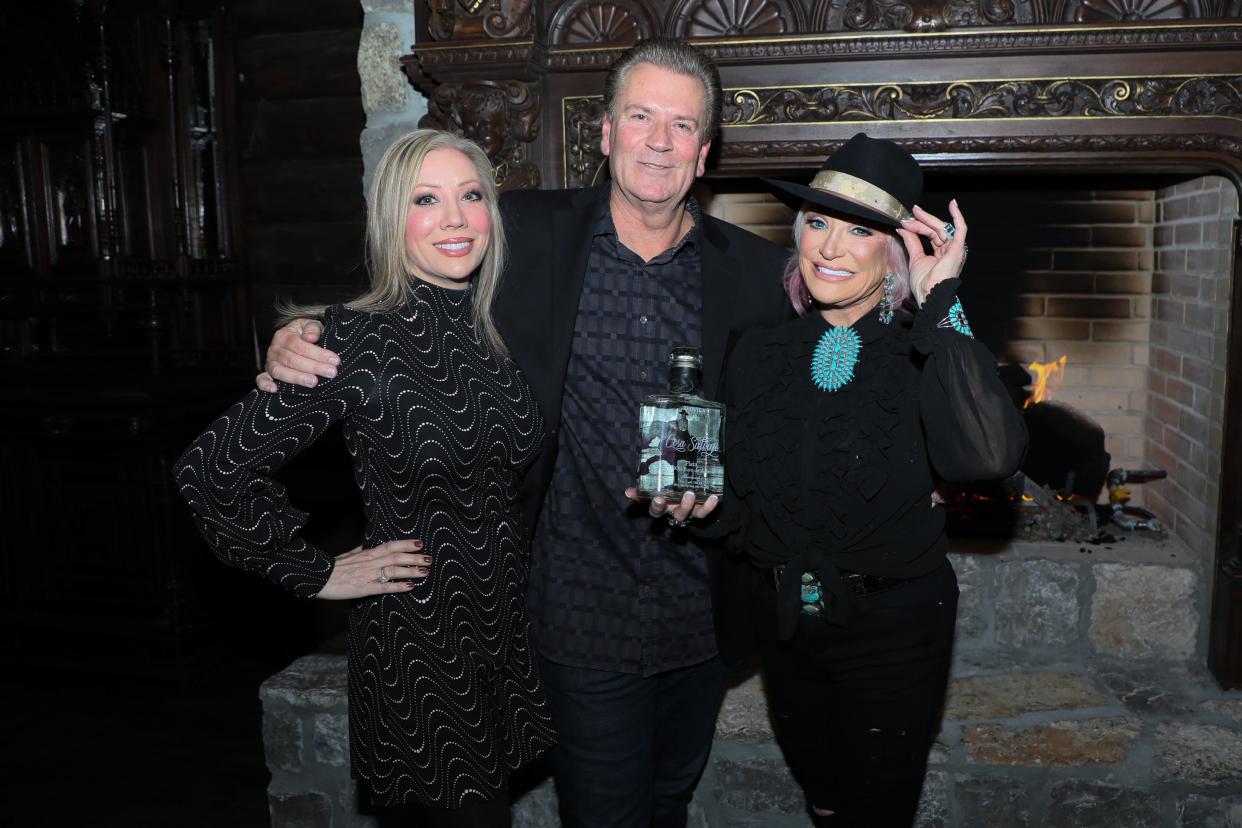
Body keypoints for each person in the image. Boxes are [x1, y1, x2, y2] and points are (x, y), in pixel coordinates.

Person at [257, 39, 790, 828]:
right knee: (605, 813)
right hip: (574, 610)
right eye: (640, 116)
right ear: (605, 133)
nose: (659, 140)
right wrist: (301, 334)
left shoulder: (756, 272)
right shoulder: (519, 235)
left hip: (701, 616)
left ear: (704, 153)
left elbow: (788, 409)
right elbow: (412, 284)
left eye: (681, 126)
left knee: (669, 800)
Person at [174, 129, 555, 827]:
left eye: (471, 196)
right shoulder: (357, 340)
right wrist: (317, 573)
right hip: (424, 639)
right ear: (391, 218)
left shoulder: (489, 327)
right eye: (426, 200)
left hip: (498, 627)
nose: (454, 219)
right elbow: (212, 470)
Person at [705, 133, 1028, 826]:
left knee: (876, 813)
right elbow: (740, 491)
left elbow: (989, 455)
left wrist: (940, 296)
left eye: (860, 231)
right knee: (822, 798)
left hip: (893, 629)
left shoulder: (926, 349)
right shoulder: (759, 350)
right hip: (787, 625)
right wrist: (694, 503)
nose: (829, 246)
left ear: (894, 252)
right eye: (818, 222)